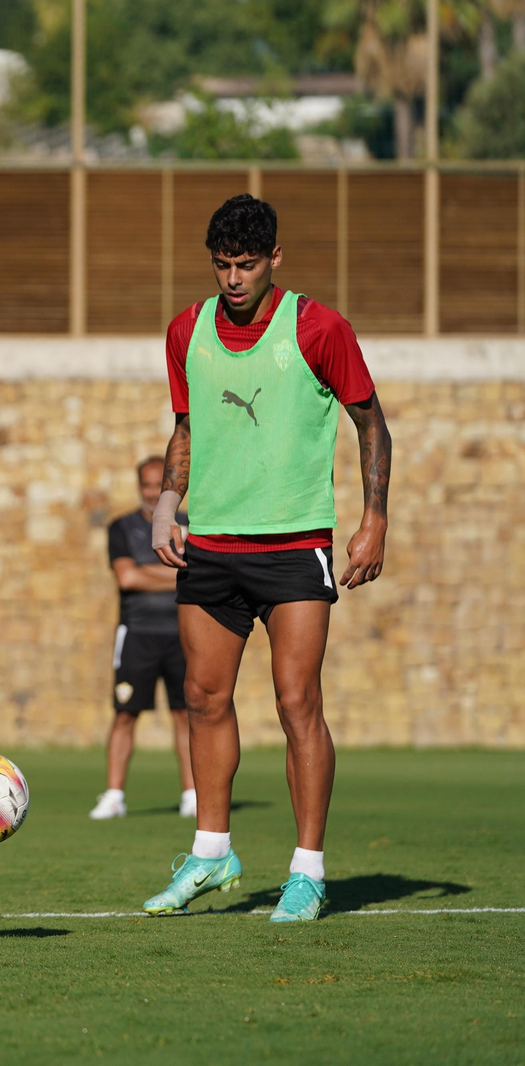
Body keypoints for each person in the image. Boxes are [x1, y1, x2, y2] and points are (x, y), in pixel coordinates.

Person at [141, 194, 391, 923]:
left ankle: (307, 872)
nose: (233, 279)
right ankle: (212, 854)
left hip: (294, 544)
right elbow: (186, 425)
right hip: (212, 545)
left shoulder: (319, 327)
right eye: (222, 266)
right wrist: (166, 501)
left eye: (246, 265)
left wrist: (375, 517)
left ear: (274, 259)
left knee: (296, 702)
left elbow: (371, 423)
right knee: (203, 698)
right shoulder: (186, 330)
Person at [89, 456, 196, 821]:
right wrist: (179, 569)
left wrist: (150, 571)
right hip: (137, 635)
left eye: (158, 485)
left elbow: (196, 573)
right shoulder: (122, 528)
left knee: (186, 714)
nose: (153, 493)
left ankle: (192, 795)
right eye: (146, 485)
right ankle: (115, 795)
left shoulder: (190, 527)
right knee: (125, 714)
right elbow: (127, 579)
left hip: (183, 632)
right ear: (139, 486)